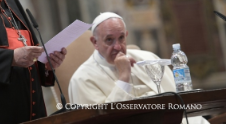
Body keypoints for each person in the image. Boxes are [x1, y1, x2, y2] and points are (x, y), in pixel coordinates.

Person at [68, 12, 209, 124]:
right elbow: (107, 120)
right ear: (95, 42)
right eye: (109, 40)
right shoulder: (82, 79)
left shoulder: (149, 59)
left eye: (121, 38)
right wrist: (124, 77)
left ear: (126, 36)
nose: (117, 46)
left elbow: (180, 101)